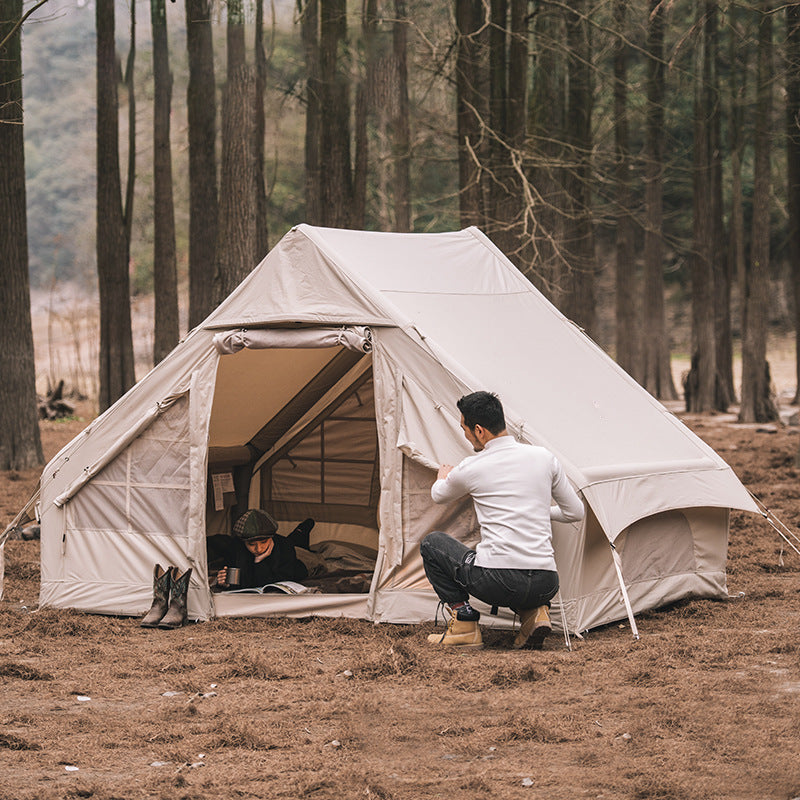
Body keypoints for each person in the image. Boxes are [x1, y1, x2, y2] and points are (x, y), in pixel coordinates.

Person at [420, 391, 584, 650]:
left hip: (498, 582)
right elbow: (576, 512)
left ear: (479, 430)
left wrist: (443, 476)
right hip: (546, 583)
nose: (464, 435)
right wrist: (539, 511)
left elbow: (439, 496)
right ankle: (535, 613)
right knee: (521, 576)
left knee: (432, 544)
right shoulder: (544, 458)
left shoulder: (473, 466)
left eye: (464, 429)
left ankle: (464, 623)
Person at [209, 509, 313, 590]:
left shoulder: (285, 546)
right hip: (287, 544)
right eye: (251, 544)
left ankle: (302, 530)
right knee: (294, 539)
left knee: (301, 546)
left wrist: (259, 563)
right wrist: (226, 584)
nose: (258, 549)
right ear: (243, 541)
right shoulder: (235, 548)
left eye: (263, 542)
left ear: (271, 537)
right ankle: (300, 532)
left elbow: (280, 582)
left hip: (301, 560)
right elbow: (240, 583)